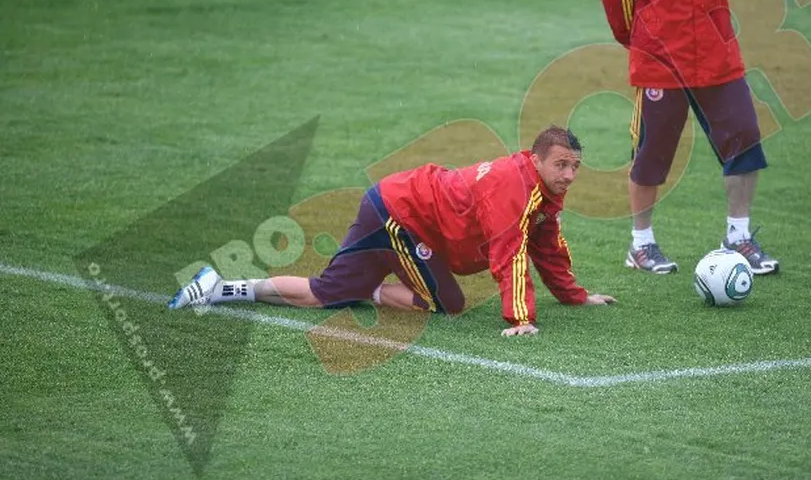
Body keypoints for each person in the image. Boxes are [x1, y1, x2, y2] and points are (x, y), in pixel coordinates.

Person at [168, 126, 616, 336]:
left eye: (575, 166)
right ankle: (223, 286)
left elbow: (546, 245)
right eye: (561, 164)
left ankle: (217, 287)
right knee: (445, 303)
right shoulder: (514, 187)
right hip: (398, 215)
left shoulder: (539, 188)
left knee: (326, 295)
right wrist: (521, 319)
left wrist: (575, 296)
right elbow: (510, 252)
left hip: (402, 213)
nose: (569, 174)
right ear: (535, 159)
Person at [600, 0, 779, 276]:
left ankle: (738, 237)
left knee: (744, 141)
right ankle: (641, 245)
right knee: (653, 154)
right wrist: (640, 43)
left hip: (718, 59)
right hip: (661, 63)